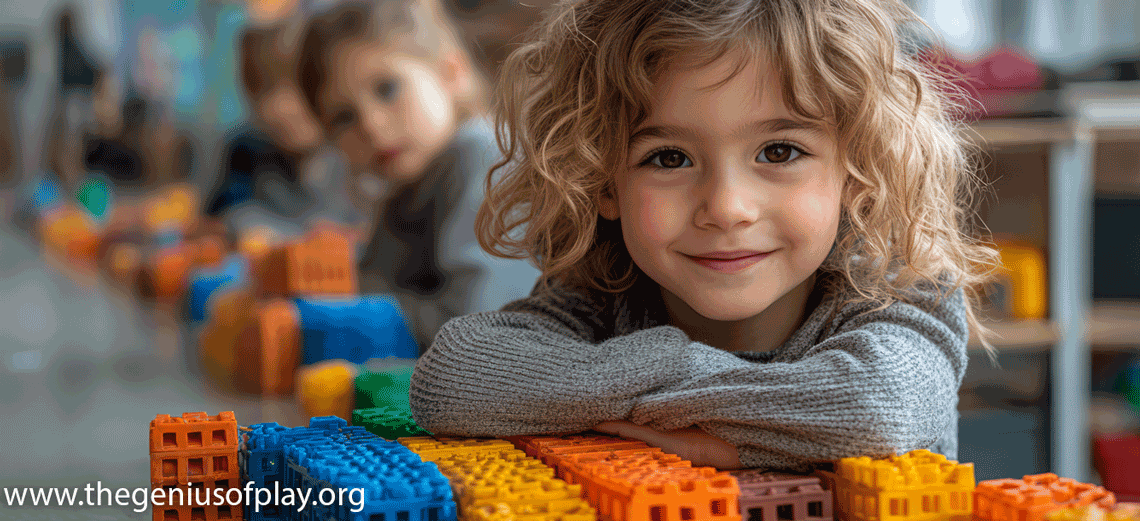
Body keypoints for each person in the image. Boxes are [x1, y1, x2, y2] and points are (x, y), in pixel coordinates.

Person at [408, 0, 1001, 472]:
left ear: (857, 168)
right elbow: (453, 375)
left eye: (779, 151)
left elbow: (875, 405)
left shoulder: (902, 290)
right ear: (602, 182)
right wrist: (707, 392)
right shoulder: (605, 296)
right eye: (668, 158)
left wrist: (611, 396)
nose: (726, 208)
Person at [296, 0, 541, 349]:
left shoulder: (485, 160)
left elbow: (482, 330)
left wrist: (335, 324)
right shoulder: (404, 186)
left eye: (387, 89)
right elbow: (372, 283)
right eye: (343, 117)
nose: (371, 124)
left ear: (450, 73)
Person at [205, 20, 357, 238]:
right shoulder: (246, 154)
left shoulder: (359, 154)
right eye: (259, 90)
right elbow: (218, 223)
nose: (273, 108)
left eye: (293, 84)